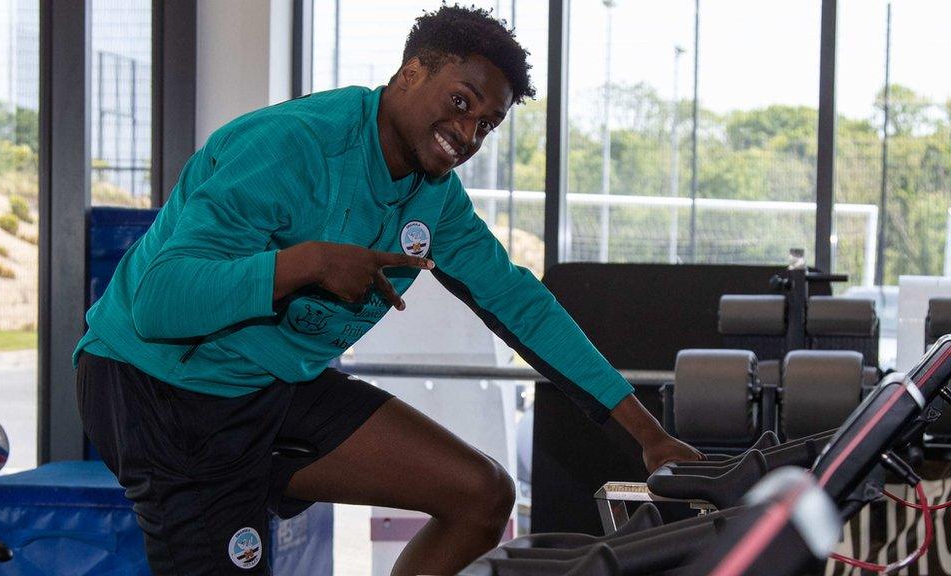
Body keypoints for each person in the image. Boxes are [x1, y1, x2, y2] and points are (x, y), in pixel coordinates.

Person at [74, 4, 702, 575]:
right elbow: (160, 301)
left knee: (479, 495)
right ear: (410, 72)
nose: (468, 134)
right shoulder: (289, 147)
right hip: (158, 388)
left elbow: (521, 306)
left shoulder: (435, 201)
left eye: (487, 125)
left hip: (268, 383)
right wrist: (306, 263)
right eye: (461, 103)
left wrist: (647, 434)